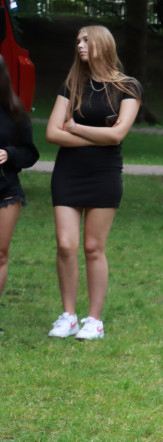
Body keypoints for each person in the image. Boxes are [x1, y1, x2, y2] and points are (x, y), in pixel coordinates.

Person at [45, 25, 141, 340]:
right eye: (78, 41)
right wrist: (95, 136)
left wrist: (74, 126)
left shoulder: (127, 87)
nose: (80, 45)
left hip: (104, 174)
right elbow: (52, 133)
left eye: (86, 40)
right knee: (65, 244)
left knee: (93, 247)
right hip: (68, 173)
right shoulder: (72, 84)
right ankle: (68, 315)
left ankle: (93, 320)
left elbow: (117, 135)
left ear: (102, 43)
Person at [0, 55, 39, 333]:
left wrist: (8, 154)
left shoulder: (14, 111)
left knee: (0, 255)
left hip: (6, 192)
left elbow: (30, 153)